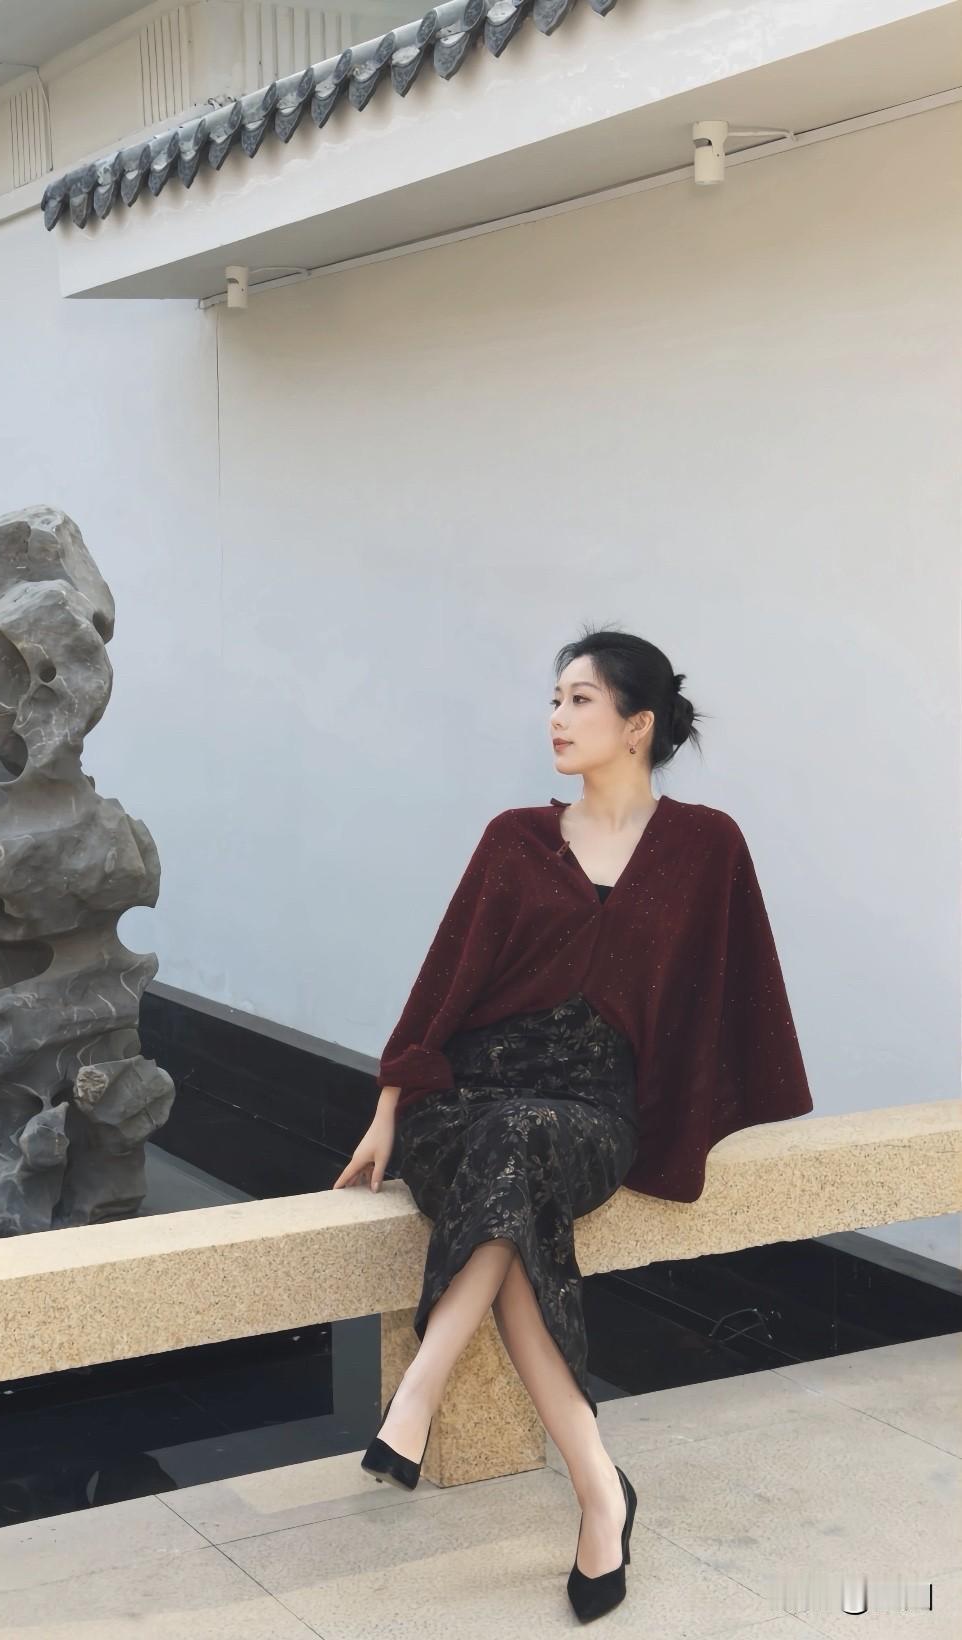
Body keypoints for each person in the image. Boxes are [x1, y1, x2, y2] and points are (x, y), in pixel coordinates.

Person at [333, 624, 814, 1624]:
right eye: (554, 699)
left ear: (638, 725)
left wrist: (698, 1115)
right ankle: (600, 1491)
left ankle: (420, 1387)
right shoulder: (514, 837)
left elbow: (729, 994)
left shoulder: (706, 845)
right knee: (516, 1195)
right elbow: (442, 984)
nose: (555, 718)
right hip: (468, 1098)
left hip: (591, 1106)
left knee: (522, 1156)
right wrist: (389, 1106)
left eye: (579, 699)